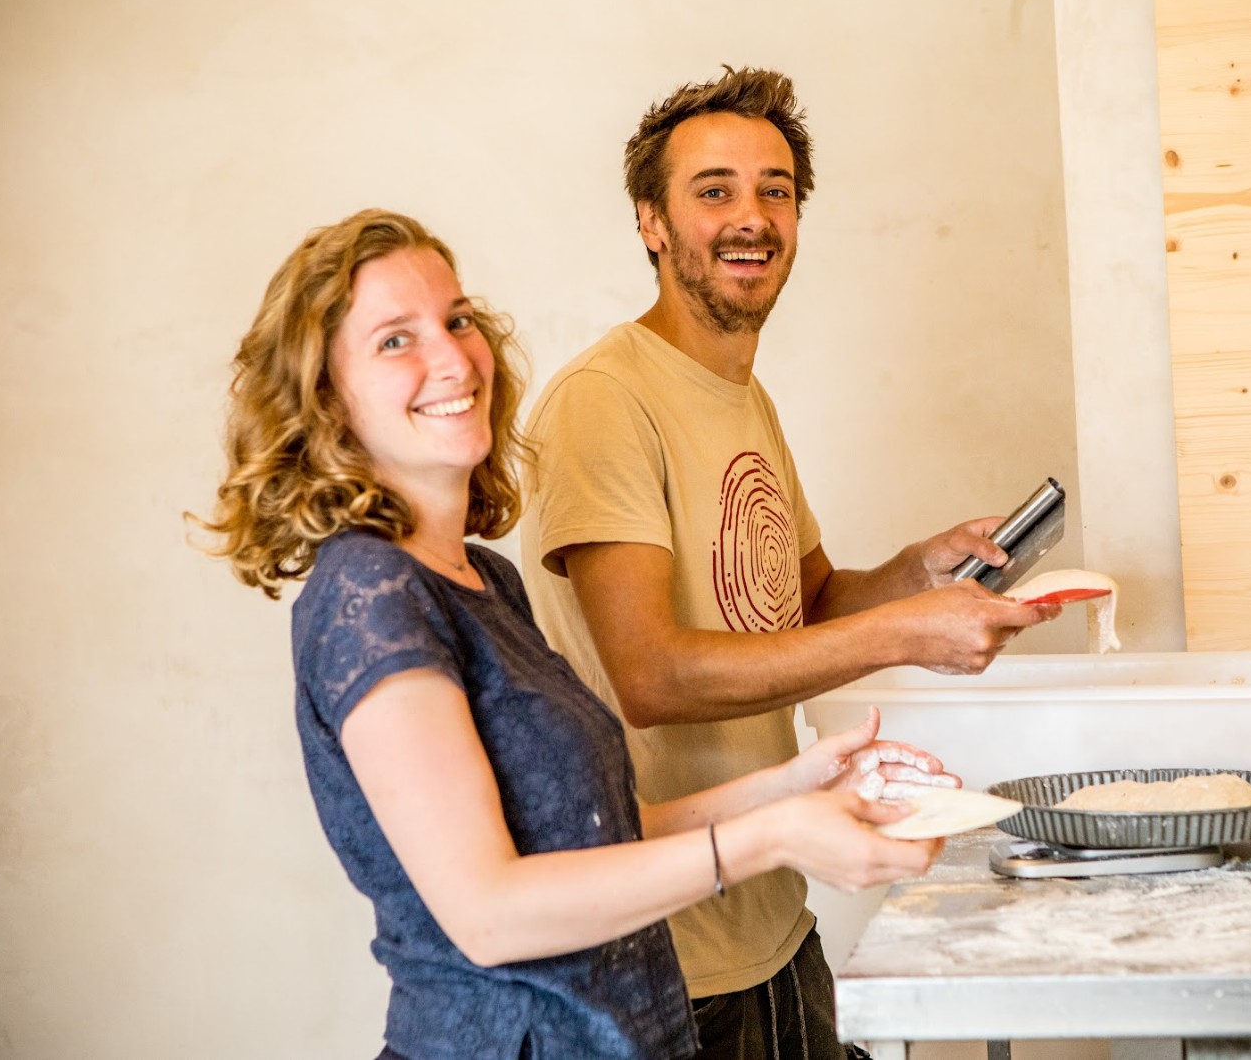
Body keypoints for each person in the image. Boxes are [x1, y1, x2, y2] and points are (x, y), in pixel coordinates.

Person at [193, 209, 953, 1060]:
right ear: (325, 399)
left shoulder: (485, 582)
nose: (453, 358)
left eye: (457, 320)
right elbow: (488, 912)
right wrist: (771, 839)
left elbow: (605, 827)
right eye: (395, 340)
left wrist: (796, 786)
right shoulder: (369, 596)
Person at [520, 67, 1061, 1058]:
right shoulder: (604, 401)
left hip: (770, 923)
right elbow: (651, 674)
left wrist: (919, 571)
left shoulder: (743, 397)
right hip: (659, 963)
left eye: (775, 190)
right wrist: (902, 633)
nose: (752, 217)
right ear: (651, 222)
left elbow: (803, 604)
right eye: (714, 190)